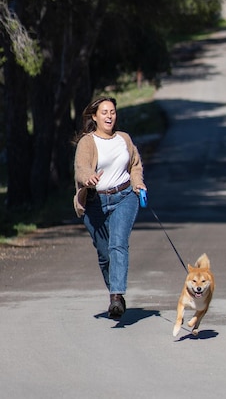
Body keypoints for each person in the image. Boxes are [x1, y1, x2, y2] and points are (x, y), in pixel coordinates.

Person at [73, 96, 147, 319]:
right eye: (104, 112)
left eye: (112, 112)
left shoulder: (124, 138)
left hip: (125, 196)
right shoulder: (87, 142)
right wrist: (89, 179)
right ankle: (116, 293)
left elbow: (135, 164)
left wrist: (138, 182)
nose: (109, 116)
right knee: (105, 254)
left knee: (118, 245)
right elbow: (81, 168)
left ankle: (116, 296)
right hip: (95, 203)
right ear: (95, 116)